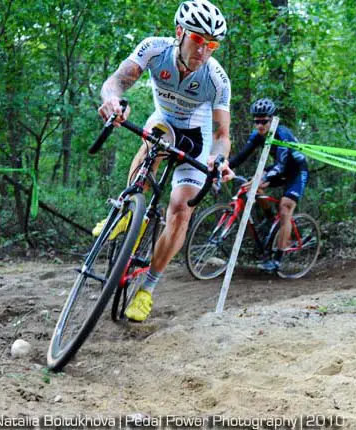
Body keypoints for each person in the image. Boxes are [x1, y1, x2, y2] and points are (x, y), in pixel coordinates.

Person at [96, 0, 234, 322]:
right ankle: (128, 210)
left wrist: (219, 158)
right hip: (164, 124)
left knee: (181, 210)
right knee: (153, 140)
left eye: (211, 44)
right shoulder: (154, 50)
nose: (204, 50)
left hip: (195, 140)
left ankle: (147, 289)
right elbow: (115, 81)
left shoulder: (217, 79)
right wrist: (112, 100)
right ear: (180, 32)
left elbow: (222, 133)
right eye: (198, 40)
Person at [229, 98, 308, 273]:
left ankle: (278, 259)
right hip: (280, 168)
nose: (260, 125)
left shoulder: (282, 135)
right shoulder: (257, 136)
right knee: (253, 186)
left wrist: (263, 176)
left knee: (285, 208)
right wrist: (224, 167)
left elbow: (281, 164)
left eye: (264, 121)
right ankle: (271, 219)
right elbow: (241, 156)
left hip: (296, 171)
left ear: (272, 119)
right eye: (256, 121)